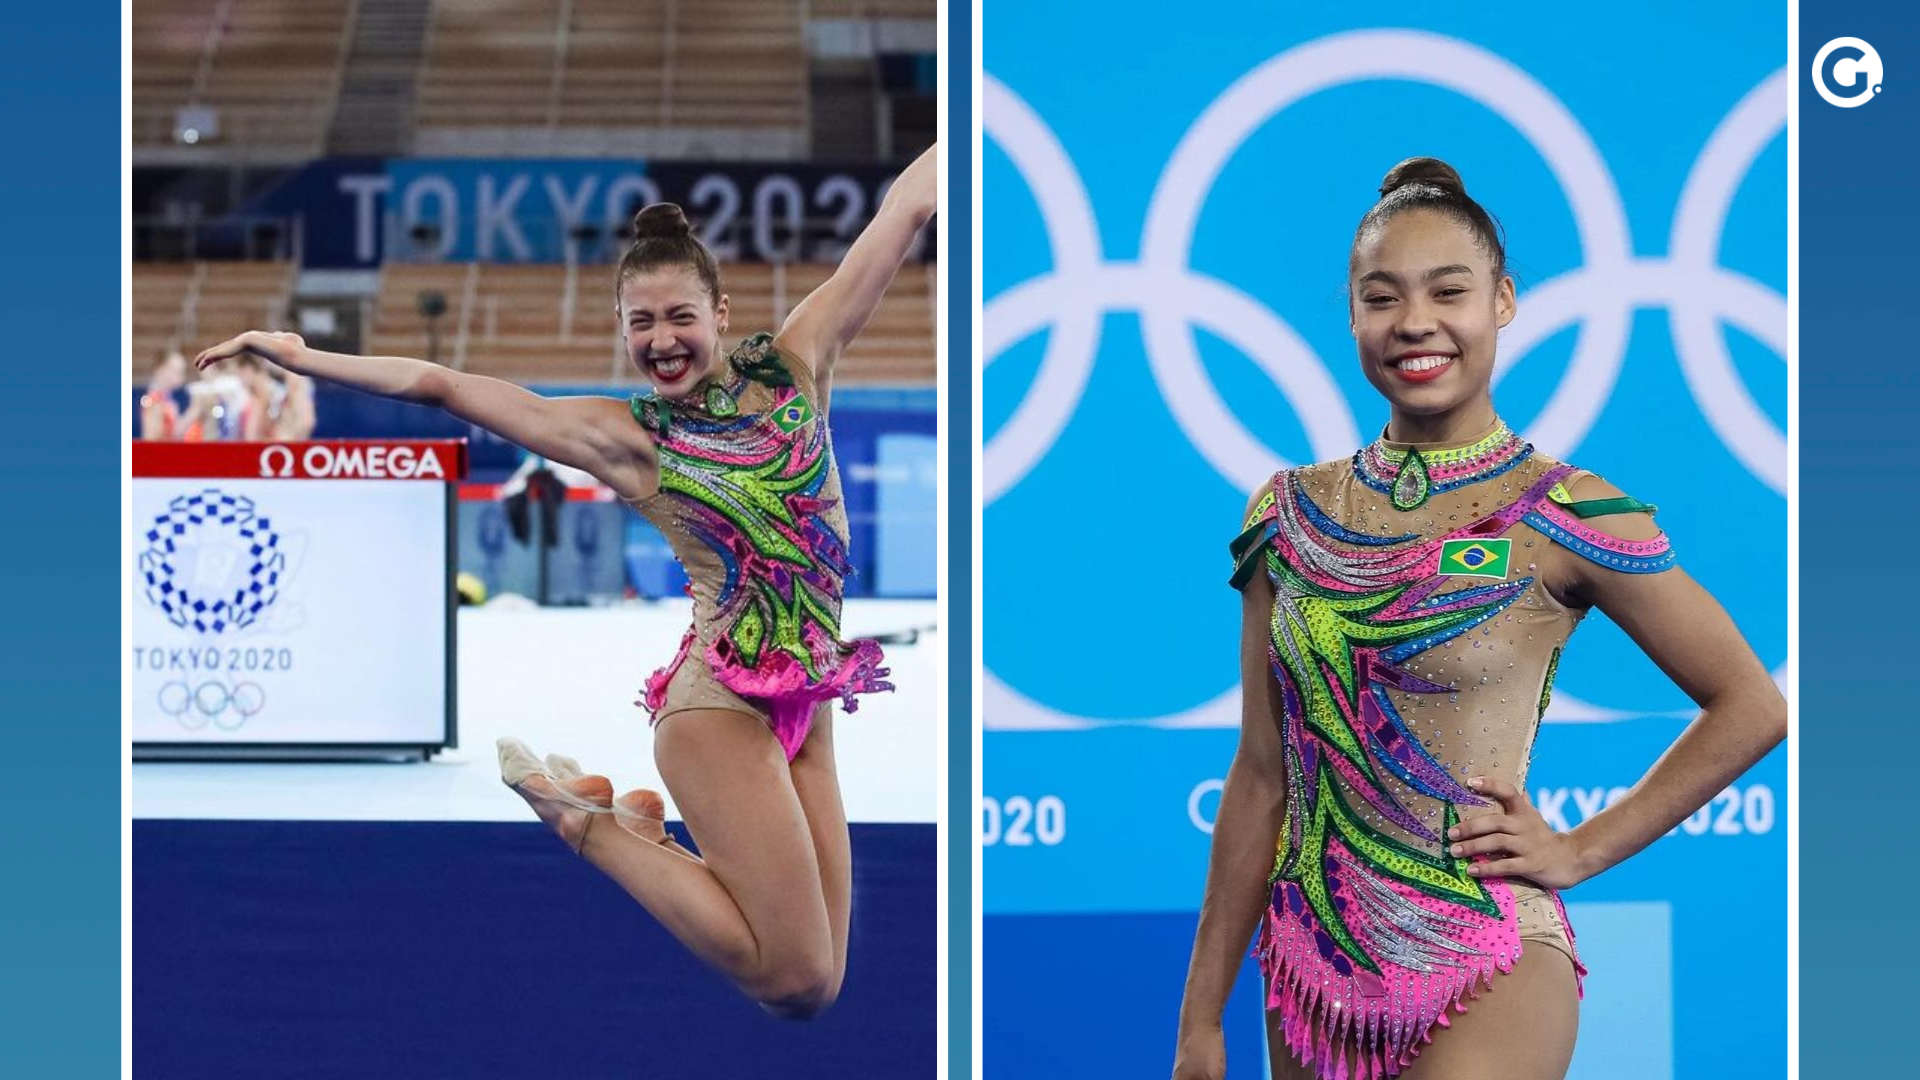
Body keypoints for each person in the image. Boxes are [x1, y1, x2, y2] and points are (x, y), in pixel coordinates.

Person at [195, 142, 937, 1019]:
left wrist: (981, 93)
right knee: (788, 982)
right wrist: (302, 356)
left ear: (721, 310)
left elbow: (905, 210)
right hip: (719, 706)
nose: (662, 341)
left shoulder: (797, 363)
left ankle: (630, 832)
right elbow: (442, 384)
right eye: (640, 323)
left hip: (806, 693)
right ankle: (591, 827)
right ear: (621, 329)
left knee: (819, 979)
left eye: (679, 317)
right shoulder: (629, 439)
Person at [1171, 158, 1785, 1080]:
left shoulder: (1566, 514)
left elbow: (1752, 705)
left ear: (1501, 300)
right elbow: (1262, 776)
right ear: (1351, 316)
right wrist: (1199, 1022)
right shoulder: (1287, 515)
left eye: (1447, 291)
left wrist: (1582, 847)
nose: (1414, 323)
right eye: (1382, 298)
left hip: (1486, 961)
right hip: (1306, 979)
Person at [139, 348, 189, 440]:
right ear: (160, 368)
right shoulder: (153, 402)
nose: (181, 376)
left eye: (182, 372)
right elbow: (151, 441)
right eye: (175, 370)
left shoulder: (169, 401)